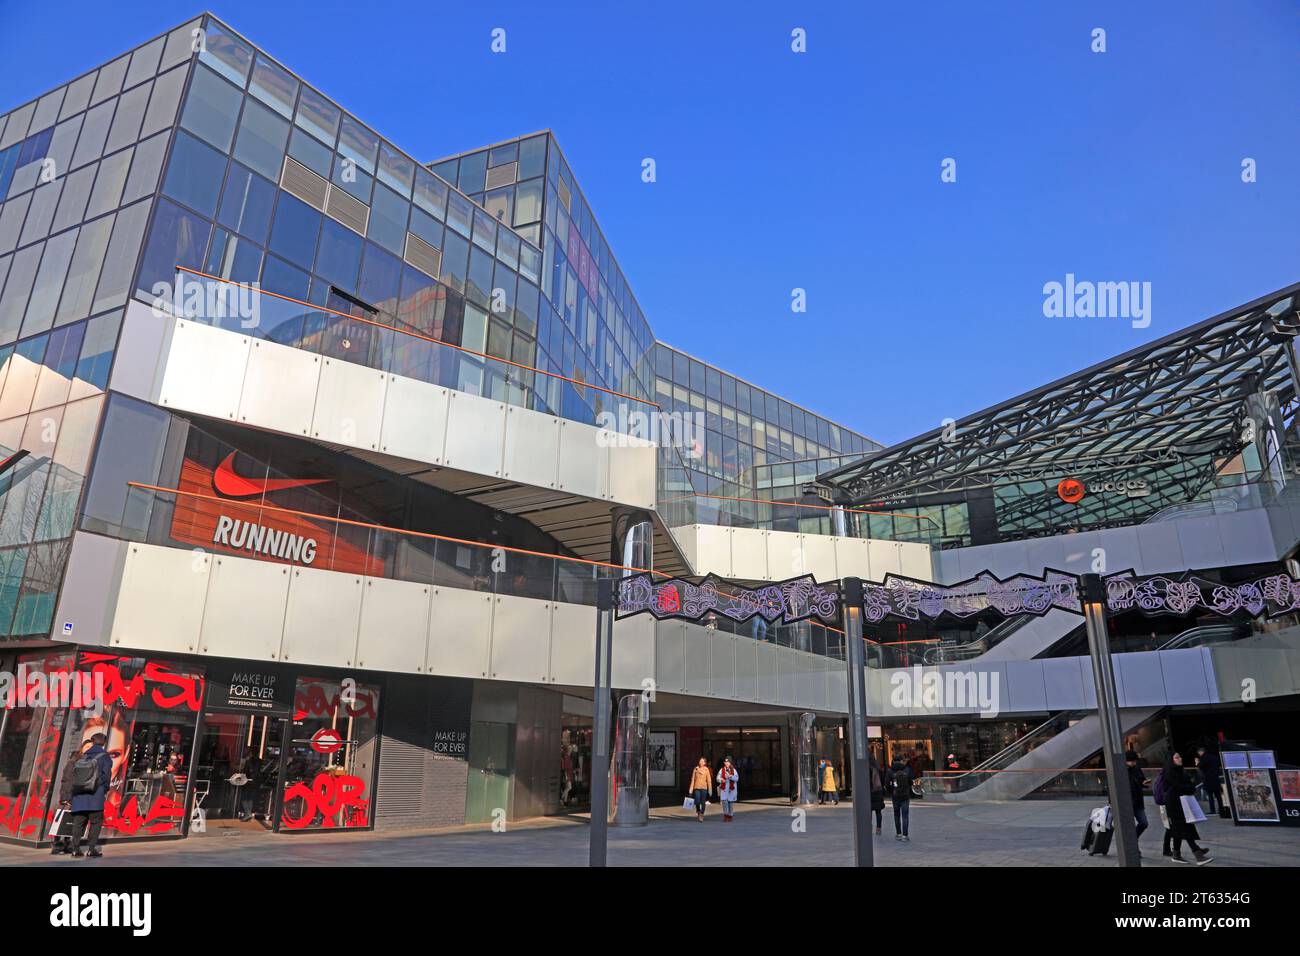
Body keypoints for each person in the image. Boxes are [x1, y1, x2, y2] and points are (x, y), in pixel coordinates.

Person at [63, 732, 114, 858]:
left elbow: (73, 776)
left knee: (78, 822)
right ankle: (91, 849)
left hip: (79, 794)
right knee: (96, 822)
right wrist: (104, 789)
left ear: (92, 741)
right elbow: (106, 776)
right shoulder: (104, 756)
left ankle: (75, 849)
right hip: (95, 795)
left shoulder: (82, 756)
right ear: (104, 742)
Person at [1163, 751, 1213, 865]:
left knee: (1179, 830)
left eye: (1179, 756)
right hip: (1174, 805)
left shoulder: (1181, 771)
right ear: (1171, 760)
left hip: (1183, 803)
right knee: (1185, 828)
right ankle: (1197, 854)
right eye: (1176, 757)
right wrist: (1189, 788)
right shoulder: (1169, 772)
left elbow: (1189, 785)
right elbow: (1179, 787)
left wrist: (1189, 787)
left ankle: (1176, 854)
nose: (1180, 758)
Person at [51, 739, 94, 855]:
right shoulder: (74, 761)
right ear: (82, 748)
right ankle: (57, 846)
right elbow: (67, 781)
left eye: (92, 747)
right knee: (62, 821)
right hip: (70, 796)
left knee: (74, 822)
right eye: (87, 746)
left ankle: (68, 845)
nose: (89, 749)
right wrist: (65, 797)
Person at [1126, 751, 1149, 854]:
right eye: (1132, 761)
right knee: (1129, 827)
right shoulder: (1121, 770)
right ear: (1127, 761)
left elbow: (1141, 780)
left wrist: (1144, 783)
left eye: (1135, 761)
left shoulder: (1137, 768)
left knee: (1144, 823)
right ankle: (1134, 848)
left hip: (1138, 801)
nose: (1134, 763)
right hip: (1126, 802)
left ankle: (1133, 840)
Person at [887, 758, 913, 842]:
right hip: (905, 796)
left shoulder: (890, 771)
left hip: (895, 796)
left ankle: (898, 834)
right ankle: (905, 835)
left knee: (896, 815)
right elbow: (911, 782)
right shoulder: (907, 770)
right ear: (901, 761)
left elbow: (887, 784)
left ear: (893, 761)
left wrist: (892, 791)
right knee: (905, 816)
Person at [1196, 745, 1222, 815]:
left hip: (1208, 779)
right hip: (1216, 778)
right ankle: (1221, 809)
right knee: (1218, 795)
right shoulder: (1214, 757)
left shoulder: (1203, 758)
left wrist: (1197, 763)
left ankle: (1212, 810)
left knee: (1210, 796)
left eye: (1199, 753)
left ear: (1201, 752)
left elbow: (1201, 766)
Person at [688, 756, 713, 822]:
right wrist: (690, 790)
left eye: (702, 761)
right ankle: (698, 811)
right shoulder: (695, 769)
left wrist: (710, 790)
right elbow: (692, 780)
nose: (700, 762)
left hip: (704, 788)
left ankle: (701, 814)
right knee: (697, 801)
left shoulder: (706, 769)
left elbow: (709, 780)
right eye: (700, 761)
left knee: (703, 802)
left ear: (704, 763)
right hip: (696, 788)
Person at [716, 756, 740, 822]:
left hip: (731, 789)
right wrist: (721, 780)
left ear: (730, 763)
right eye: (725, 762)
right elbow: (717, 778)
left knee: (730, 803)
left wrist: (730, 776)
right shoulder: (722, 770)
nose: (726, 763)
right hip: (724, 789)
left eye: (728, 762)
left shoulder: (733, 770)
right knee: (724, 802)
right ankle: (725, 815)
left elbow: (737, 779)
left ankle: (730, 815)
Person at [869, 754, 886, 834]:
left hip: (869, 793)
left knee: (868, 812)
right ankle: (878, 828)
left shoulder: (866, 769)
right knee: (878, 812)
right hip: (878, 792)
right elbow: (882, 781)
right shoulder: (878, 769)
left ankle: (869, 827)